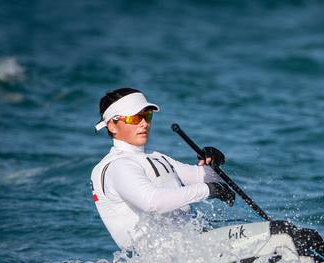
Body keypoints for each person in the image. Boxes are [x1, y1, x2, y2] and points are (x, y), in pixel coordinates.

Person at [91, 87, 235, 249]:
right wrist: (208, 190)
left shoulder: (155, 156)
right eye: (135, 118)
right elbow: (152, 203)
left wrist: (214, 163)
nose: (144, 124)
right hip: (161, 260)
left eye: (147, 116)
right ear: (112, 125)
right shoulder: (117, 166)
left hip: (193, 246)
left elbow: (211, 180)